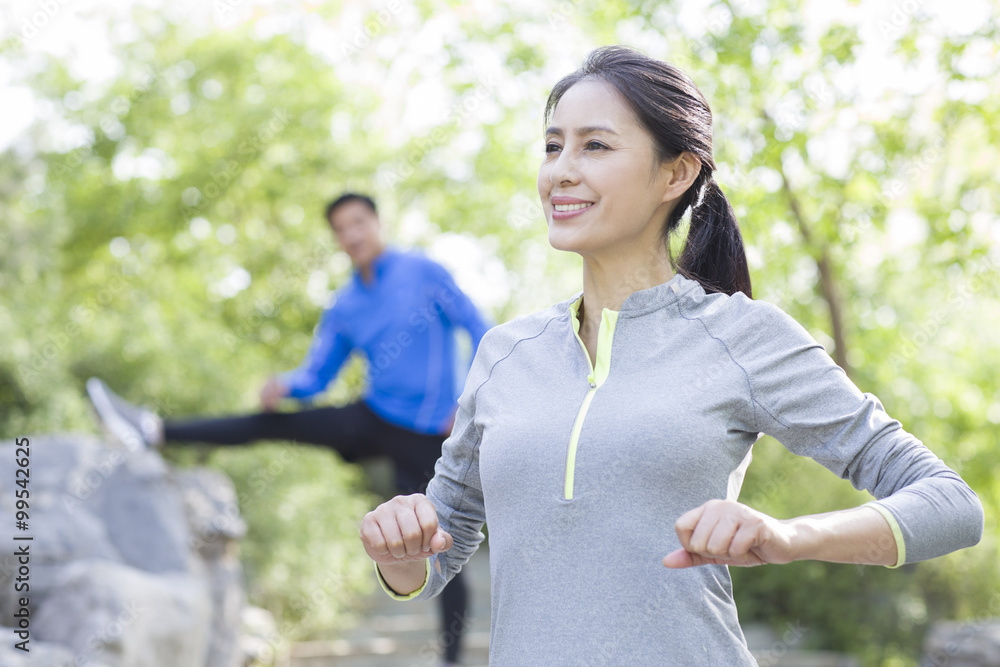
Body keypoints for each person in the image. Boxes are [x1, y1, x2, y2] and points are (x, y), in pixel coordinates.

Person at [358, 46, 985, 665]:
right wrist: (402, 550)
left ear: (675, 174)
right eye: (553, 146)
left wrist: (785, 538)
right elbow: (445, 541)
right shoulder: (506, 353)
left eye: (595, 146)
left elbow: (951, 506)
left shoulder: (742, 337)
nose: (560, 171)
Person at [87, 192, 491, 667]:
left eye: (359, 222)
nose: (352, 235)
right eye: (341, 229)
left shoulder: (423, 274)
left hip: (431, 433)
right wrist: (285, 385)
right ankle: (152, 430)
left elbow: (480, 327)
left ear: (377, 223)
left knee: (439, 544)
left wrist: (469, 399)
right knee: (270, 423)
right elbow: (318, 375)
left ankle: (452, 659)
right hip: (373, 417)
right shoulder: (346, 304)